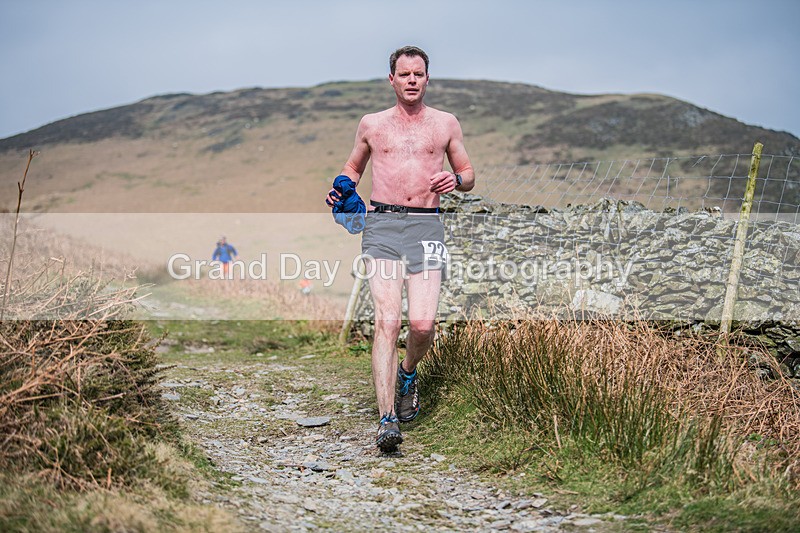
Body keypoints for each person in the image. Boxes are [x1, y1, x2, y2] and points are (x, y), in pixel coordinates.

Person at [325, 45, 475, 453]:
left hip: (427, 227)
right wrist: (342, 188)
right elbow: (352, 168)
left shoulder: (445, 123)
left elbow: (467, 174)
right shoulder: (372, 124)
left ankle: (408, 373)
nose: (411, 80)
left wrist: (455, 181)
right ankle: (387, 418)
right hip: (382, 226)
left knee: (422, 325)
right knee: (388, 321)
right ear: (391, 79)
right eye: (404, 74)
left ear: (427, 78)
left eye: (418, 74)